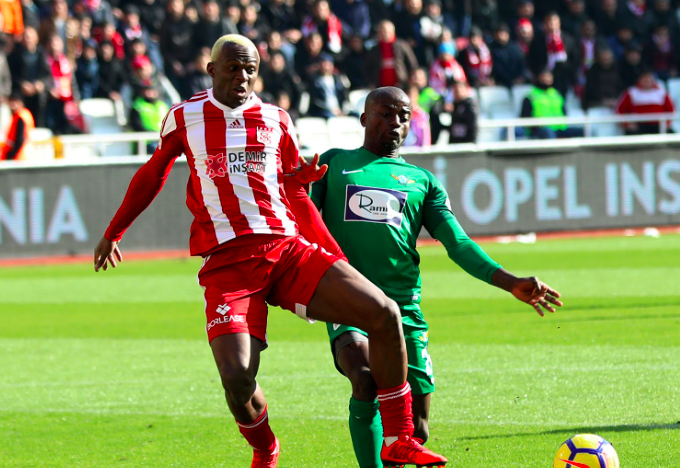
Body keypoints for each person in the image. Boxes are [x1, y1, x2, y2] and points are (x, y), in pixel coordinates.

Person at [93, 34, 448, 468]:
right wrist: (114, 231)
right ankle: (265, 448)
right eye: (233, 68)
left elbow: (293, 191)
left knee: (385, 312)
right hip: (228, 264)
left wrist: (333, 253)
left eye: (250, 69)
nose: (242, 77)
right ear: (211, 70)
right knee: (238, 379)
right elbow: (153, 173)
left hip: (286, 250)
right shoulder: (185, 117)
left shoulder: (276, 119)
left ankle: (397, 436)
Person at [310, 86, 562, 468]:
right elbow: (303, 220)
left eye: (403, 116)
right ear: (363, 118)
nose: (395, 122)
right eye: (385, 113)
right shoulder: (334, 164)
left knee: (418, 428)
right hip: (348, 301)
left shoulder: (422, 181)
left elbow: (457, 243)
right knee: (364, 378)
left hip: (403, 307)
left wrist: (510, 281)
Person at [520, 69, 583, 139]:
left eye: (549, 76)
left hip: (559, 128)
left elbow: (564, 112)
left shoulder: (557, 94)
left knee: (583, 131)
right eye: (545, 76)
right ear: (538, 77)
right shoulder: (531, 96)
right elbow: (525, 117)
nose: (547, 78)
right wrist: (537, 125)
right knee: (548, 132)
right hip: (541, 130)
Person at [615, 70, 675, 135]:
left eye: (649, 78)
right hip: (639, 126)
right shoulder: (631, 92)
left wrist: (667, 123)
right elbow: (620, 110)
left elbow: (671, 109)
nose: (647, 80)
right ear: (639, 80)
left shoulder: (661, 92)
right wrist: (627, 124)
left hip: (658, 125)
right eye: (644, 78)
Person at [0, 93, 34, 161]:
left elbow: (20, 139)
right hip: (23, 155)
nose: (12, 104)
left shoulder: (21, 116)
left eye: (15, 101)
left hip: (19, 156)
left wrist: (10, 156)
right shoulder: (22, 114)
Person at [446, 79, 479, 144]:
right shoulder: (454, 105)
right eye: (454, 90)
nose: (457, 92)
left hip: (466, 143)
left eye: (459, 89)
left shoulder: (469, 105)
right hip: (455, 143)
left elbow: (473, 126)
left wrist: (472, 143)